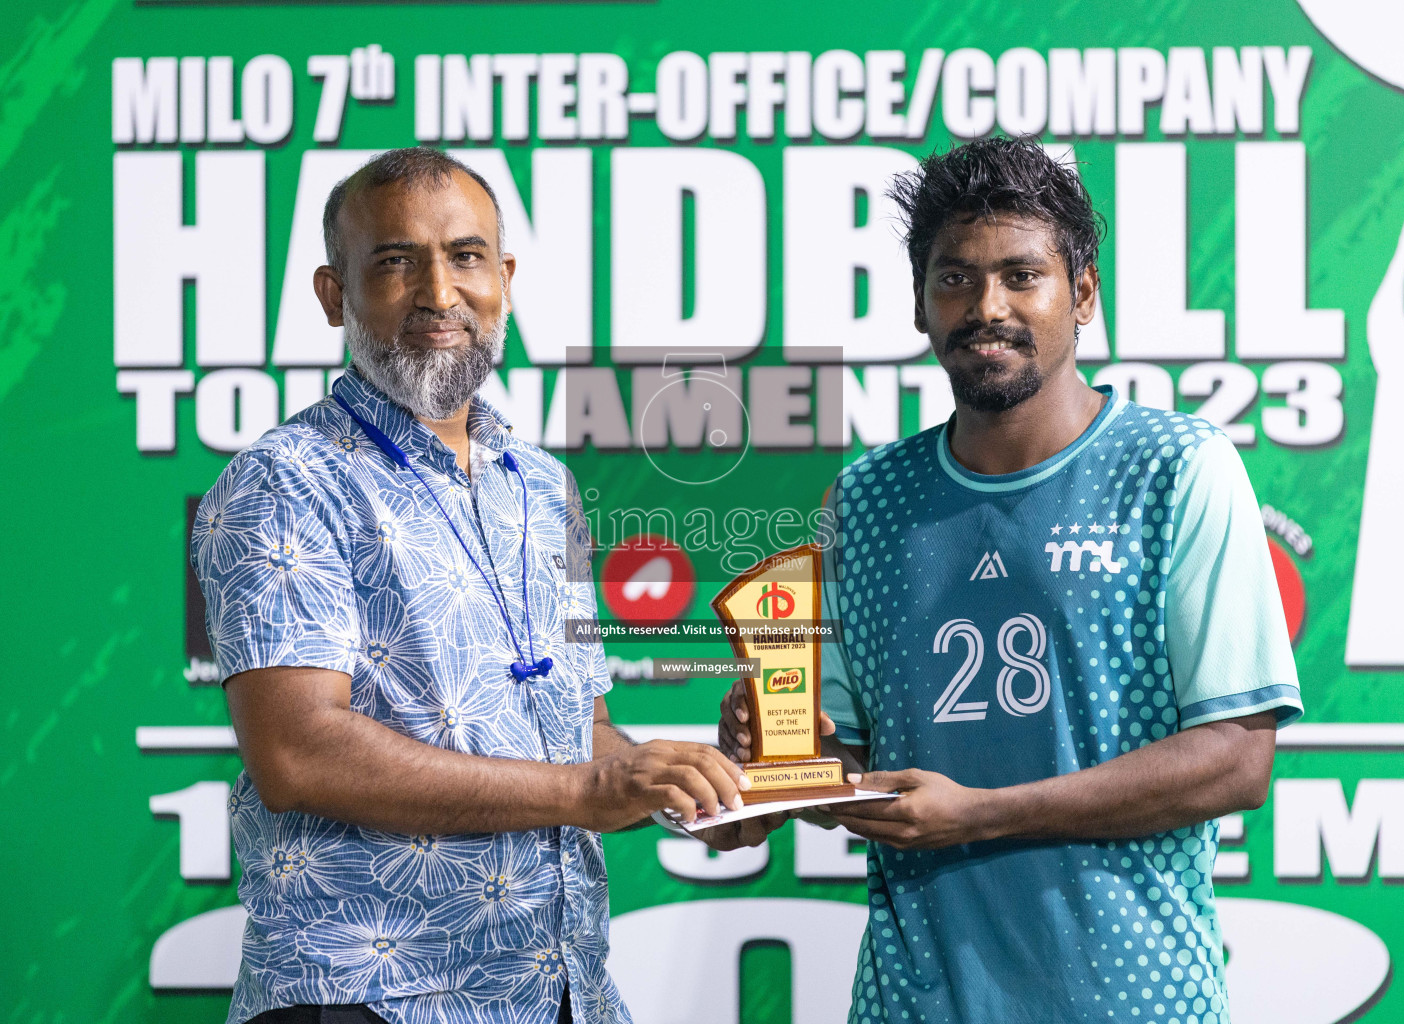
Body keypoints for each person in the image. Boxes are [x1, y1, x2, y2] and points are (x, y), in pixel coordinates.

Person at [711, 136, 1302, 1023]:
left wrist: (982, 813)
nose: (987, 306)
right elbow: (847, 763)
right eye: (956, 279)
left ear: (1084, 295)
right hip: (916, 1000)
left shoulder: (1178, 468)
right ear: (920, 305)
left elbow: (1233, 760)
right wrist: (781, 757)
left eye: (1022, 276)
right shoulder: (865, 501)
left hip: (1132, 1000)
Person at [192, 147, 747, 1024]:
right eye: (396, 261)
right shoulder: (284, 480)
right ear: (334, 295)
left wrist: (687, 792)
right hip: (371, 998)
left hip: (558, 990)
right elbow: (297, 754)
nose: (440, 294)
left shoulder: (541, 484)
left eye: (466, 255)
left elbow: (582, 735)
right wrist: (589, 792)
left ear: (506, 280)